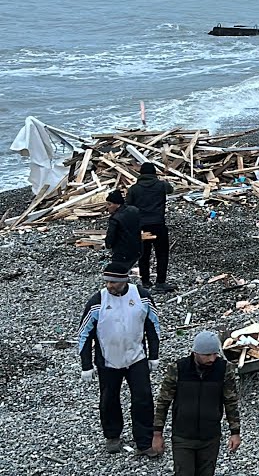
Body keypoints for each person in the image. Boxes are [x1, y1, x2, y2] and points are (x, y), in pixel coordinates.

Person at [77, 262, 161, 456]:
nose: (109, 285)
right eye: (107, 281)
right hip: (108, 360)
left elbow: (153, 326)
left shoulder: (142, 296)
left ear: (124, 280)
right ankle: (112, 435)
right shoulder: (97, 300)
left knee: (143, 399)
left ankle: (144, 441)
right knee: (109, 399)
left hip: (136, 357)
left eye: (113, 282)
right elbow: (84, 334)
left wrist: (154, 355)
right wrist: (86, 365)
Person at [151, 331, 241, 476]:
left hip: (210, 437)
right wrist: (157, 434)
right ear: (195, 352)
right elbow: (163, 402)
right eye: (207, 355)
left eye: (215, 354)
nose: (212, 359)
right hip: (183, 437)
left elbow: (230, 401)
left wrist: (235, 432)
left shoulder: (224, 369)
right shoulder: (178, 369)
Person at [127, 162, 175, 291]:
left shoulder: (133, 189)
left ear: (141, 174)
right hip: (158, 224)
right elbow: (171, 189)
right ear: (154, 173)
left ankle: (146, 281)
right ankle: (160, 282)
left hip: (142, 226)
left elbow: (128, 207)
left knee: (144, 254)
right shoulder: (161, 186)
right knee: (162, 253)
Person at [104, 189, 142, 268]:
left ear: (117, 204)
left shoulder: (115, 219)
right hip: (137, 249)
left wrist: (108, 245)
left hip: (122, 252)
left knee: (120, 274)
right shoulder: (134, 210)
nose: (107, 207)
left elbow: (111, 236)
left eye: (109, 204)